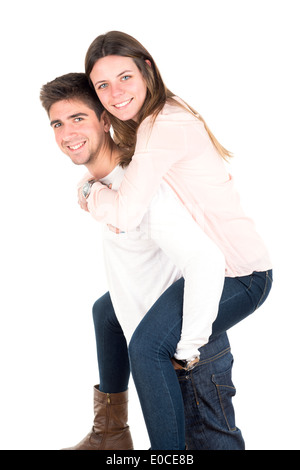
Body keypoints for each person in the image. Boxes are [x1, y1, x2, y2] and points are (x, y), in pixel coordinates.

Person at [75, 30, 273, 450]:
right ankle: (111, 432)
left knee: (148, 349)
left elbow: (127, 212)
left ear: (147, 69)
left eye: (124, 77)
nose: (115, 92)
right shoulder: (148, 122)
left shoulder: (163, 126)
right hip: (209, 263)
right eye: (102, 85)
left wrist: (92, 195)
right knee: (107, 311)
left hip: (240, 274)